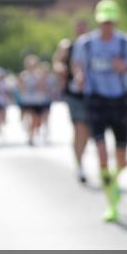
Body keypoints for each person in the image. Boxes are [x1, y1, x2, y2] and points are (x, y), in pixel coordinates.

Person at [72, 0, 127, 222]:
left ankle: (113, 180)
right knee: (102, 153)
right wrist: (78, 75)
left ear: (116, 21)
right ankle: (111, 204)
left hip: (121, 102)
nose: (107, 26)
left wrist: (125, 67)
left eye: (111, 22)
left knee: (122, 160)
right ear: (98, 21)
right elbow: (77, 64)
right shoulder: (86, 44)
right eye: (103, 21)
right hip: (95, 100)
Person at [55, 20, 91, 183]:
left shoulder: (93, 46)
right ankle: (80, 165)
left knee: (87, 131)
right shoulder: (68, 46)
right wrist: (61, 69)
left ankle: (81, 156)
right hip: (73, 93)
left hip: (91, 93)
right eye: (79, 28)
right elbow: (57, 62)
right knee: (79, 127)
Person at [18, 54, 49, 146]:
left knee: (37, 120)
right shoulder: (23, 75)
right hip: (28, 100)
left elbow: (43, 87)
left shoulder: (39, 74)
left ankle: (33, 132)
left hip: (38, 100)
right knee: (31, 118)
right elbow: (20, 88)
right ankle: (30, 136)